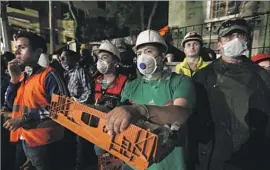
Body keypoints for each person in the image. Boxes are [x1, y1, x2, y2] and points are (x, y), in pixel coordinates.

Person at [105, 29, 196, 170]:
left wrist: (140, 110)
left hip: (170, 165)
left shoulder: (180, 82)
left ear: (162, 55)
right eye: (139, 53)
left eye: (148, 52)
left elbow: (181, 114)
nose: (143, 57)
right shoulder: (131, 87)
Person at [192, 18, 270, 170]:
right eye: (228, 37)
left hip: (253, 156)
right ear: (219, 44)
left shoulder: (262, 76)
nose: (235, 41)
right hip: (215, 154)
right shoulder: (203, 76)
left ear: (248, 40)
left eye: (240, 36)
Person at [3, 31, 68, 170]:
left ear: (38, 52)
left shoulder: (49, 76)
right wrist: (13, 79)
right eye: (16, 47)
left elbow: (63, 109)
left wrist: (24, 119)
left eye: (22, 47)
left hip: (45, 143)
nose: (17, 52)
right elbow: (9, 104)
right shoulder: (22, 77)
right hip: (24, 139)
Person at [75, 42, 128, 170]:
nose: (100, 61)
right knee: (91, 158)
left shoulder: (125, 81)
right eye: (99, 58)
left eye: (104, 57)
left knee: (108, 163)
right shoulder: (94, 80)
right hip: (93, 128)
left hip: (113, 131)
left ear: (115, 60)